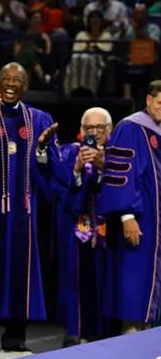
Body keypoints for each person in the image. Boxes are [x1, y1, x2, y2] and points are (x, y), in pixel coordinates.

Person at [0, 62, 60, 353]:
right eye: (5, 78)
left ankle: (15, 338)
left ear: (26, 87)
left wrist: (41, 150)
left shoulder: (39, 120)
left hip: (23, 214)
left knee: (22, 273)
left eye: (18, 80)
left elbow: (53, 172)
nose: (11, 83)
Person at [98, 79, 161, 335]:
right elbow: (120, 175)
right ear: (148, 100)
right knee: (134, 289)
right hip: (140, 222)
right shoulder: (131, 128)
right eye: (160, 102)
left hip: (157, 226)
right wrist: (127, 217)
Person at [55, 107, 113, 347]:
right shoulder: (69, 153)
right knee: (75, 282)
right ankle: (75, 333)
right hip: (76, 230)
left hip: (108, 232)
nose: (95, 133)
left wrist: (103, 166)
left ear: (110, 131)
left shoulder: (118, 155)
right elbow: (59, 189)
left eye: (100, 128)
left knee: (106, 283)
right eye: (90, 128)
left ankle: (105, 336)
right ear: (81, 131)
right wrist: (77, 169)